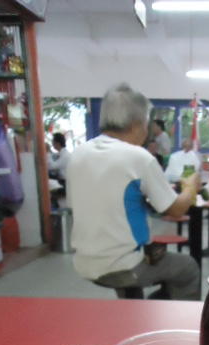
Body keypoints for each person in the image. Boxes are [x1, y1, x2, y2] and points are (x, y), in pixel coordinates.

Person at [67, 82, 201, 301]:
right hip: (123, 265)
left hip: (84, 261)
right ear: (137, 124)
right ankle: (179, 315)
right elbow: (176, 210)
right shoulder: (138, 157)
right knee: (187, 268)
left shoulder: (79, 154)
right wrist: (190, 187)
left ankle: (138, 311)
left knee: (141, 262)